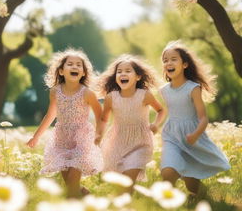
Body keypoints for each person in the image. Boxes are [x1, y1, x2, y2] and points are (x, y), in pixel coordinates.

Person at [27, 48, 103, 198]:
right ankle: (84, 195)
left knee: (71, 185)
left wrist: (99, 135)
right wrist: (36, 137)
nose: (75, 67)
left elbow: (100, 115)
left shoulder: (87, 93)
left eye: (78, 65)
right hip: (61, 139)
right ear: (61, 71)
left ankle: (76, 200)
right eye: (70, 64)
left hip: (82, 139)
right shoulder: (55, 91)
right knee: (70, 186)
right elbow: (50, 115)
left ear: (83, 73)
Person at [160, 41, 230, 197]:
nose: (168, 63)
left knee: (191, 181)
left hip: (191, 136)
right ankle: (168, 203)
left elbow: (203, 118)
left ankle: (200, 195)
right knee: (168, 171)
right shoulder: (163, 91)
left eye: (173, 59)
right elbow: (168, 112)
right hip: (171, 136)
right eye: (165, 60)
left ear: (184, 64)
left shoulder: (193, 88)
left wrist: (196, 135)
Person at [97, 54, 165, 191]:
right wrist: (99, 135)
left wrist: (156, 124)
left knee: (129, 178)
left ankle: (127, 198)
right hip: (117, 142)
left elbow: (161, 110)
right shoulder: (111, 98)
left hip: (140, 143)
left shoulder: (144, 95)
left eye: (128, 71)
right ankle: (126, 201)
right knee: (120, 182)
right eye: (119, 72)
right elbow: (104, 119)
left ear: (138, 77)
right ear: (116, 77)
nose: (123, 74)